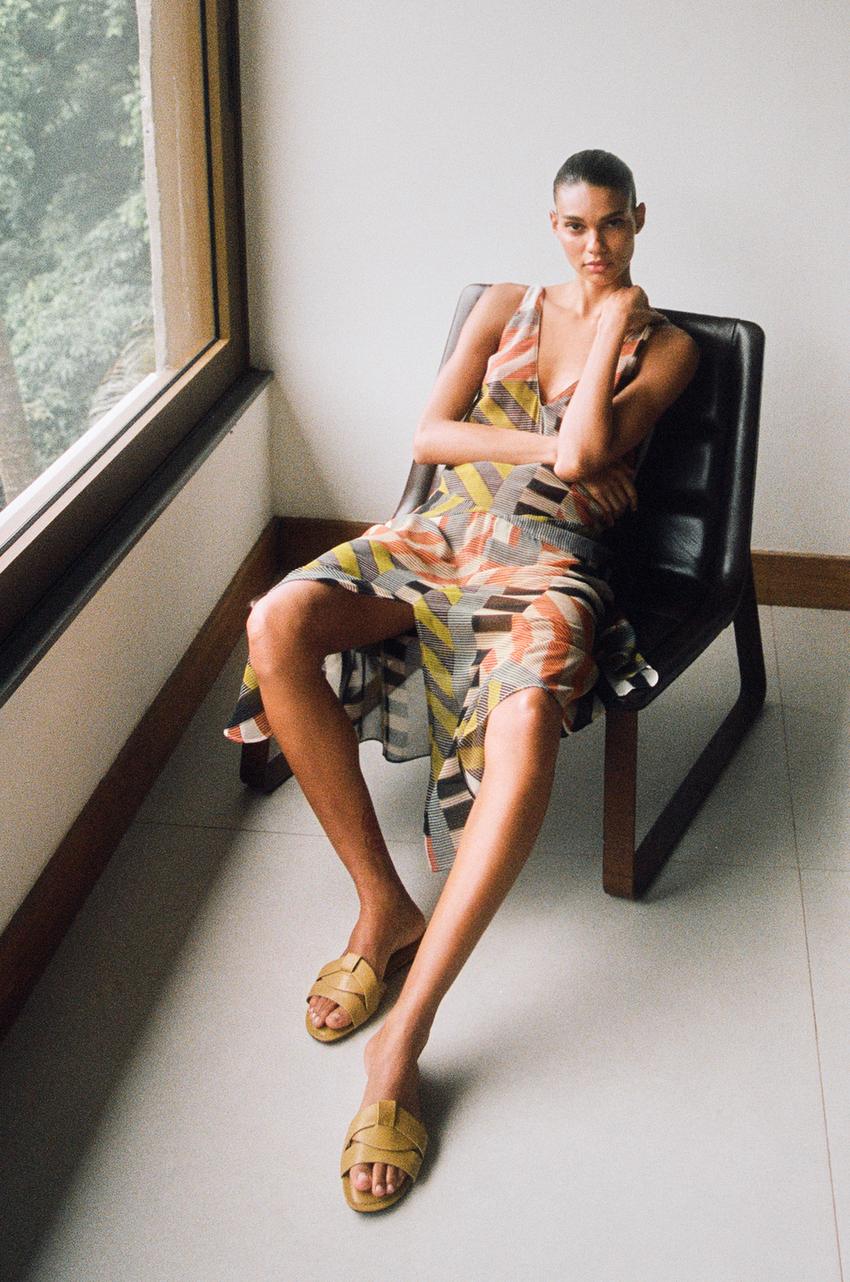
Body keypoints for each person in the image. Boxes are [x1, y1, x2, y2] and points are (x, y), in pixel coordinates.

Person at [225, 149, 699, 1211]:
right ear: (550, 223)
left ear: (638, 221)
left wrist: (612, 323)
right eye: (574, 225)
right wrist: (543, 447)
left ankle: (404, 1039)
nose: (591, 244)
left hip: (555, 561)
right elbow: (430, 435)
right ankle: (381, 905)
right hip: (438, 533)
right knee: (277, 620)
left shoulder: (665, 347)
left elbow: (587, 452)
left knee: (527, 719)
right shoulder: (501, 303)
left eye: (611, 224)